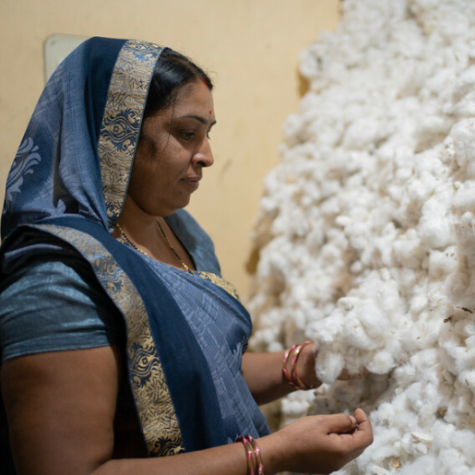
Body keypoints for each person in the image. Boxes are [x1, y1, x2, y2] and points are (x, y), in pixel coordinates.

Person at [0, 37, 373, 475]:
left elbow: (201, 376)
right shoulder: (56, 281)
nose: (208, 156)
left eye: (207, 134)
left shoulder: (181, 233)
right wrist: (271, 454)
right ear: (113, 136)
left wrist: (303, 365)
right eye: (185, 132)